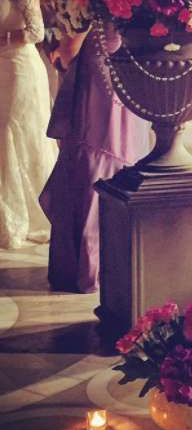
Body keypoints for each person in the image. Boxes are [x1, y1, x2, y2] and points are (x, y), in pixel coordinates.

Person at [39, 20, 151, 293]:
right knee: (108, 151)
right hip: (126, 59)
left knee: (97, 153)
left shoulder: (91, 2)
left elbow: (72, 43)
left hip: (106, 60)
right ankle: (103, 266)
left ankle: (81, 266)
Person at [0, 0, 57, 249]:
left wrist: (4, 38)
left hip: (20, 65)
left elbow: (36, 31)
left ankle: (33, 214)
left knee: (16, 129)